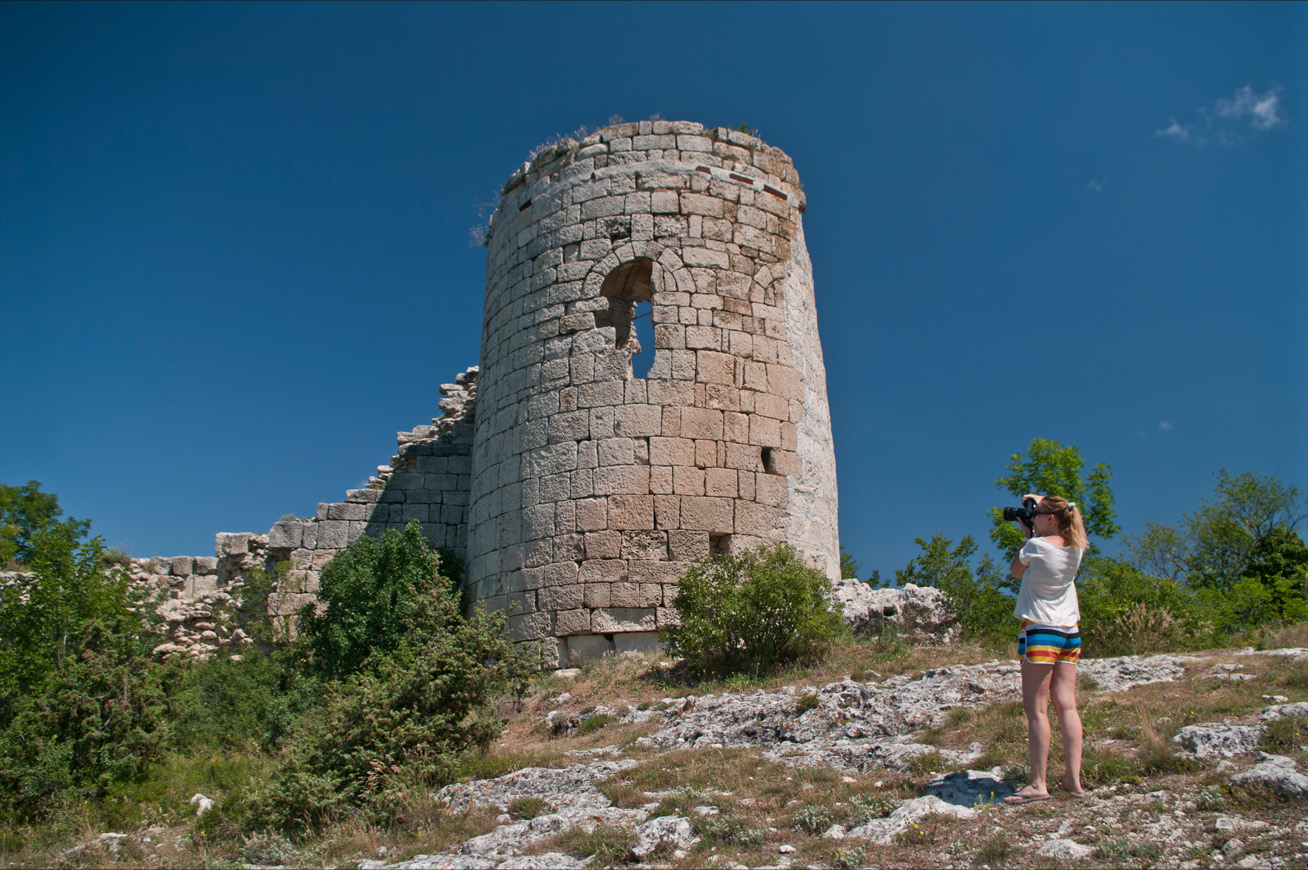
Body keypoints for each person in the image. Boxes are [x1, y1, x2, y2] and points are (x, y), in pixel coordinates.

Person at [1003, 493, 1088, 805]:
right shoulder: (1077, 546)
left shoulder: (1036, 546)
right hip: (1070, 631)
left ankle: (1038, 783)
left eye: (1037, 513)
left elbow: (1014, 570)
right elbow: (1068, 510)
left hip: (1041, 628)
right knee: (1067, 705)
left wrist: (1027, 537)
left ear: (1051, 519)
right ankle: (1073, 780)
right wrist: (1042, 502)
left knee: (1036, 709)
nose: (1032, 517)